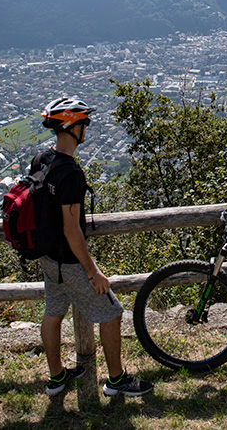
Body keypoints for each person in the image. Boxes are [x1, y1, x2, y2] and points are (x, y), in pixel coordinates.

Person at [36, 96, 153, 398]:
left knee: (53, 312)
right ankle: (116, 381)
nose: (87, 127)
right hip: (72, 262)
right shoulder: (71, 174)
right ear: (73, 127)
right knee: (112, 312)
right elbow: (71, 229)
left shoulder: (42, 160)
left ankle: (56, 378)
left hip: (48, 257)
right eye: (84, 122)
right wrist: (93, 272)